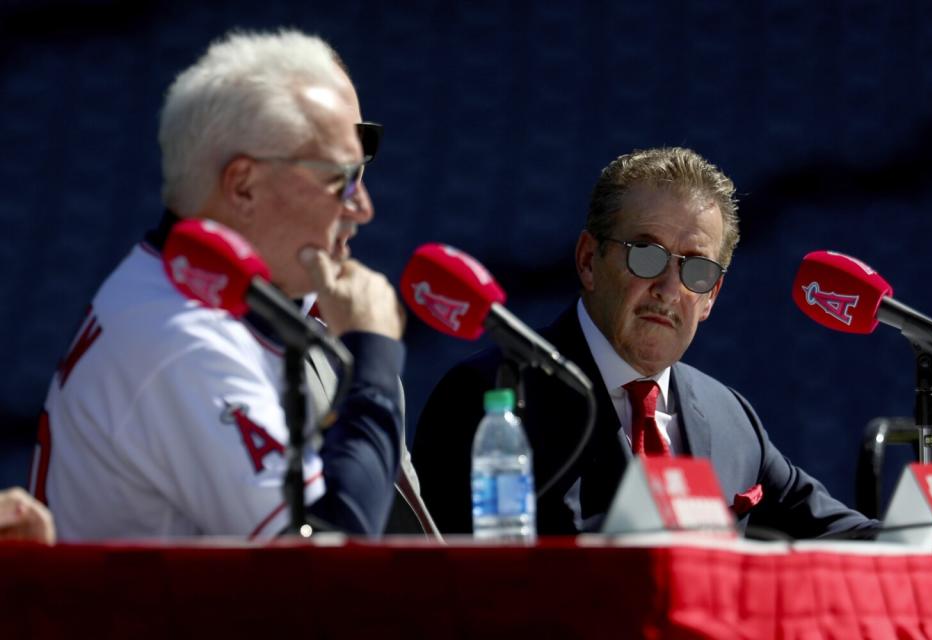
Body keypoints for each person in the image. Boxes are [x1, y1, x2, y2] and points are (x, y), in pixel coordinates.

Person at [31, 30, 407, 540]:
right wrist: (374, 362)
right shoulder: (179, 337)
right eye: (337, 178)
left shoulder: (187, 293)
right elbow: (330, 574)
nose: (362, 207)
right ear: (243, 185)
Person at [413, 147, 878, 538]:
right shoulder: (483, 397)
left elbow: (845, 536)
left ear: (712, 297)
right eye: (647, 255)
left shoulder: (732, 417)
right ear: (589, 260)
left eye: (696, 269)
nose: (669, 288)